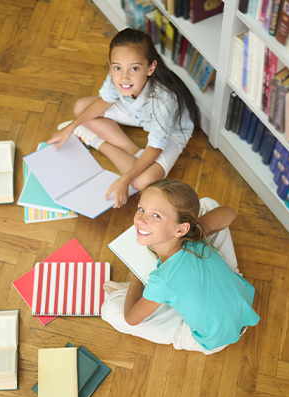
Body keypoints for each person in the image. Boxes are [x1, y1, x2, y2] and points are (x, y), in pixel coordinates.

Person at [101, 179, 260, 354]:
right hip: (242, 304)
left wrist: (134, 280)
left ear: (181, 230)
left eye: (156, 215)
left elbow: (131, 318)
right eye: (141, 209)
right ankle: (161, 297)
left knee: (109, 310)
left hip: (212, 338)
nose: (141, 220)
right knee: (208, 204)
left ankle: (148, 293)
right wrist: (198, 230)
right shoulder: (195, 235)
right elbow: (229, 213)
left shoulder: (162, 280)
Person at [48, 28, 201, 209]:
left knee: (141, 182)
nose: (124, 77)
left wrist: (124, 179)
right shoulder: (119, 77)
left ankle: (96, 141)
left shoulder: (164, 100)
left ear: (151, 68)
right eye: (117, 67)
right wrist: (70, 128)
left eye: (134, 68)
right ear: (111, 64)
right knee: (80, 108)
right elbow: (104, 101)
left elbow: (155, 147)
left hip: (171, 130)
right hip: (138, 114)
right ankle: (135, 153)